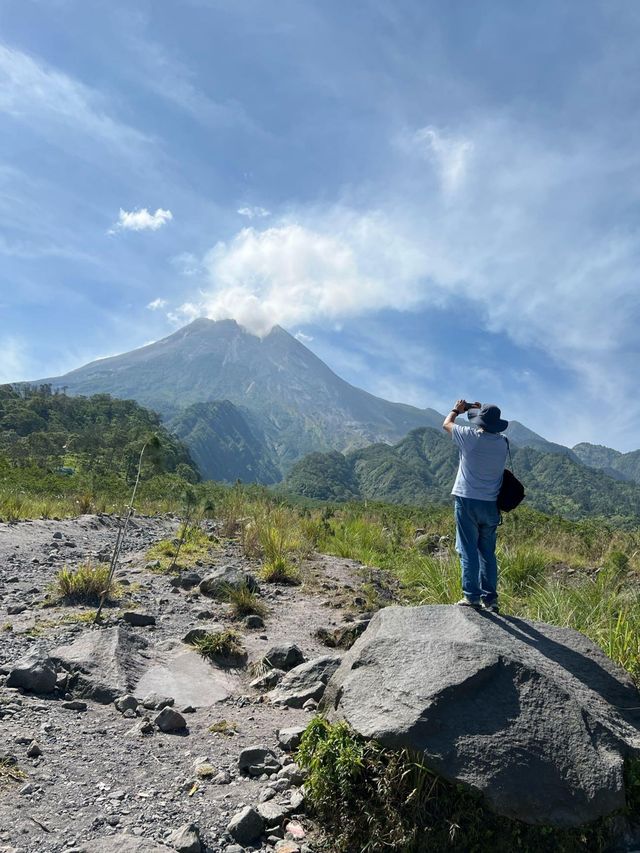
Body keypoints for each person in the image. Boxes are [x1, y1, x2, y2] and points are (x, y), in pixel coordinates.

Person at [442, 400, 509, 613]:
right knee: (487, 552)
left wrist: (457, 409)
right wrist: (473, 413)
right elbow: (482, 428)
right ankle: (491, 599)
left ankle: (471, 597)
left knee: (468, 549)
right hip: (491, 505)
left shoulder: (469, 438)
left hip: (467, 501)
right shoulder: (503, 442)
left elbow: (447, 424)